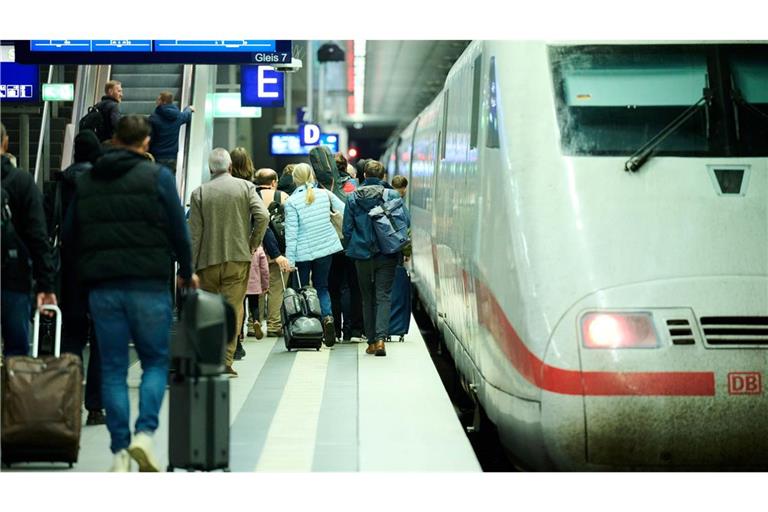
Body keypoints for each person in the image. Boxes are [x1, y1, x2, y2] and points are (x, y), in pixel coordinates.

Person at [62, 115, 197, 471]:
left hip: (103, 289)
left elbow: (69, 235)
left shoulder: (88, 180)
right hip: (149, 286)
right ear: (146, 143)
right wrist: (186, 271)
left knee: (112, 370)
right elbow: (179, 233)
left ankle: (120, 451)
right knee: (154, 362)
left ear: (116, 140)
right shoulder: (158, 178)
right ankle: (144, 434)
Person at [188, 148, 269, 376]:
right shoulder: (245, 187)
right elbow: (263, 216)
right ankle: (226, 360)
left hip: (207, 261)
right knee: (233, 309)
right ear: (230, 167)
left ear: (210, 169)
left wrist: (190, 266)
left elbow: (194, 234)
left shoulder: (199, 193)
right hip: (238, 259)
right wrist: (252, 243)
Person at [57, 130, 106, 425]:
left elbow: (55, 225)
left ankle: (68, 400)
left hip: (71, 269)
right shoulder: (100, 180)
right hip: (99, 269)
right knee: (100, 337)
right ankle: (95, 407)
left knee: (71, 336)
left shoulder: (62, 180)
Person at [1, 122, 58, 357]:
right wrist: (46, 284)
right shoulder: (22, 182)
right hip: (12, 278)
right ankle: (12, 393)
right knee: (16, 352)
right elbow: (37, 235)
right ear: (5, 142)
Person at [342, 160, 409, 357]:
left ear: (364, 175)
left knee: (367, 297)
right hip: (387, 254)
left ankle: (371, 341)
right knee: (383, 296)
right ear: (383, 177)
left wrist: (355, 246)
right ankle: (380, 340)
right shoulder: (392, 195)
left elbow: (347, 229)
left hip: (362, 255)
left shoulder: (353, 197)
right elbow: (405, 221)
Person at [284, 163, 346, 346]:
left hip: (302, 253)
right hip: (325, 248)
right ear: (311, 176)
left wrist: (290, 259)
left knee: (302, 290)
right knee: (322, 287)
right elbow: (344, 209)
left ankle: (307, 325)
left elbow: (291, 234)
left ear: (295, 179)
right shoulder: (324, 193)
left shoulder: (291, 202)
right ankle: (327, 318)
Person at [328, 153, 363, 341]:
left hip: (330, 245)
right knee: (350, 287)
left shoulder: (325, 187)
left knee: (333, 288)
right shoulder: (356, 186)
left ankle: (334, 329)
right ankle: (351, 331)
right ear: (346, 166)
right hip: (352, 244)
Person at [253, 168, 292, 337]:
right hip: (279, 249)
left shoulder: (251, 196)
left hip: (256, 248)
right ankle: (274, 324)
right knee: (276, 287)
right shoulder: (283, 197)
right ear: (274, 182)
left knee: (257, 286)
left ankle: (252, 323)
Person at [148, 91, 194, 174]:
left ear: (164, 102)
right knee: (169, 180)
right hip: (172, 157)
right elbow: (187, 115)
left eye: (158, 99)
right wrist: (189, 109)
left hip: (157, 156)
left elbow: (150, 138)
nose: (156, 101)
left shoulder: (153, 119)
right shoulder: (178, 116)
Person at [244, 245, 269, 340]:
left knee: (240, 307)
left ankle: (240, 334)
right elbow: (265, 269)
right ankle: (256, 321)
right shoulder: (258, 248)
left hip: (240, 283)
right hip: (253, 283)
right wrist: (265, 285)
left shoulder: (239, 245)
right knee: (254, 305)